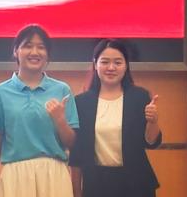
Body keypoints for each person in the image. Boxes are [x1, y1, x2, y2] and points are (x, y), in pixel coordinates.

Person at [0, 25, 78, 197]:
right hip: (15, 173)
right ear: (16, 51)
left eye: (41, 47)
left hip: (54, 172)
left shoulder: (62, 90)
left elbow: (71, 143)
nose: (35, 52)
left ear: (48, 54)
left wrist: (60, 120)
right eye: (28, 46)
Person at [69, 39, 162, 197]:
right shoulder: (81, 103)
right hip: (97, 184)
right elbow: (77, 154)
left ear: (126, 66)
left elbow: (151, 142)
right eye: (105, 62)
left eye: (118, 62)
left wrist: (153, 122)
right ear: (95, 64)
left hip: (136, 184)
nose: (111, 68)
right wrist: (76, 192)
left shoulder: (139, 97)